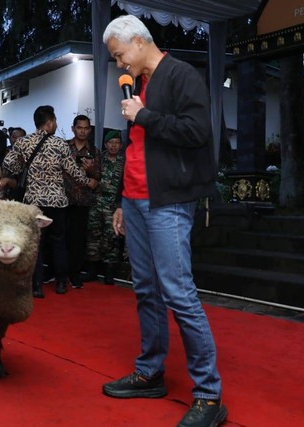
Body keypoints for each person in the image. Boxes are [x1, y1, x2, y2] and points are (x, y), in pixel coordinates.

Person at [101, 15, 226, 427]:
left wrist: (144, 116)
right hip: (134, 200)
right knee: (145, 289)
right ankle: (150, 372)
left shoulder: (181, 75)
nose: (120, 65)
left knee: (178, 292)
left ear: (138, 41)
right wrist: (122, 200)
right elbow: (135, 148)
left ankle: (209, 396)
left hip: (168, 201)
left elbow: (198, 132)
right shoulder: (138, 86)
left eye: (120, 56)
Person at [3, 105, 98, 297]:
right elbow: (73, 172)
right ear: (50, 122)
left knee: (36, 243)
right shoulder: (60, 144)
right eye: (54, 120)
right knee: (58, 242)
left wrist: (24, 165)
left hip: (34, 201)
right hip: (57, 202)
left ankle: (36, 286)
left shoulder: (23, 142)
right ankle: (61, 283)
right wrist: (88, 181)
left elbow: (8, 164)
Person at [64, 115, 101, 289]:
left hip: (83, 200)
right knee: (60, 238)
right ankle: (58, 273)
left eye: (86, 128)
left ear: (90, 130)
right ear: (73, 128)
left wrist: (92, 170)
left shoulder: (94, 151)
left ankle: (75, 273)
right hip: (62, 199)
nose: (83, 131)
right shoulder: (63, 147)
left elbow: (97, 178)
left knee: (78, 240)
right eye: (80, 127)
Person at [84, 130, 124, 285]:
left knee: (112, 238)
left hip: (114, 206)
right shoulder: (98, 161)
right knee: (93, 236)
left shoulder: (124, 162)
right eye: (111, 143)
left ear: (120, 145)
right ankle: (92, 270)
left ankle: (109, 273)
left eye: (117, 143)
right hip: (96, 203)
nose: (114, 146)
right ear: (106, 144)